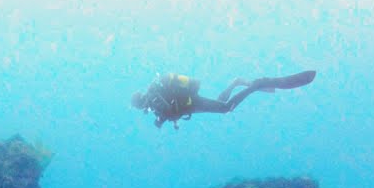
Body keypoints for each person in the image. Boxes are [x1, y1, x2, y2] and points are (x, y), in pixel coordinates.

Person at [131, 70, 316, 128]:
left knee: (226, 108)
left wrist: (161, 120)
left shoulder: (154, 100)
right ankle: (236, 83)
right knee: (222, 106)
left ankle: (256, 85)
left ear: (140, 103)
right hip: (190, 104)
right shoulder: (156, 95)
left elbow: (170, 112)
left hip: (190, 104)